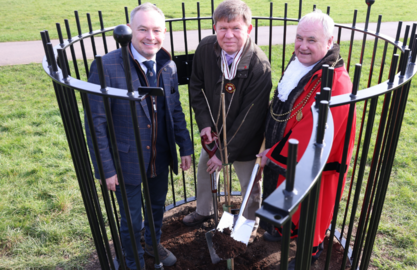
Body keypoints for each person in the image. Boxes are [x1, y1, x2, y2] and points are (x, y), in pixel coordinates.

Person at [85, 3, 193, 269]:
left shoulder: (167, 64)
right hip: (126, 161)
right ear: (130, 30)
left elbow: (175, 109)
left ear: (164, 33)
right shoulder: (106, 67)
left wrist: (186, 147)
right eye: (143, 29)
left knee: (157, 209)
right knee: (131, 219)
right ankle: (131, 262)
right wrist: (106, 169)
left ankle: (152, 244)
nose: (150, 36)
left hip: (160, 154)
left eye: (156, 30)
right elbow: (95, 123)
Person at [258, 10, 356, 268]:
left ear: (329, 41)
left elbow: (315, 132)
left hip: (316, 161)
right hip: (284, 146)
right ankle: (283, 230)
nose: (302, 46)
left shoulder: (336, 82)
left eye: (311, 40)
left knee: (311, 206)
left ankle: (307, 254)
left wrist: (273, 152)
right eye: (299, 38)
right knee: (286, 193)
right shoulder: (302, 63)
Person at [184, 0, 272, 243]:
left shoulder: (259, 66)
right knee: (205, 172)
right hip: (214, 131)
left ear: (249, 29)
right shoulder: (205, 48)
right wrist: (204, 125)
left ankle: (247, 225)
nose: (228, 35)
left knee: (250, 187)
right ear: (215, 28)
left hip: (246, 139)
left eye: (235, 28)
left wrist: (222, 154)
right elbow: (196, 87)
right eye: (223, 28)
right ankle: (205, 210)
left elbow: (249, 119)